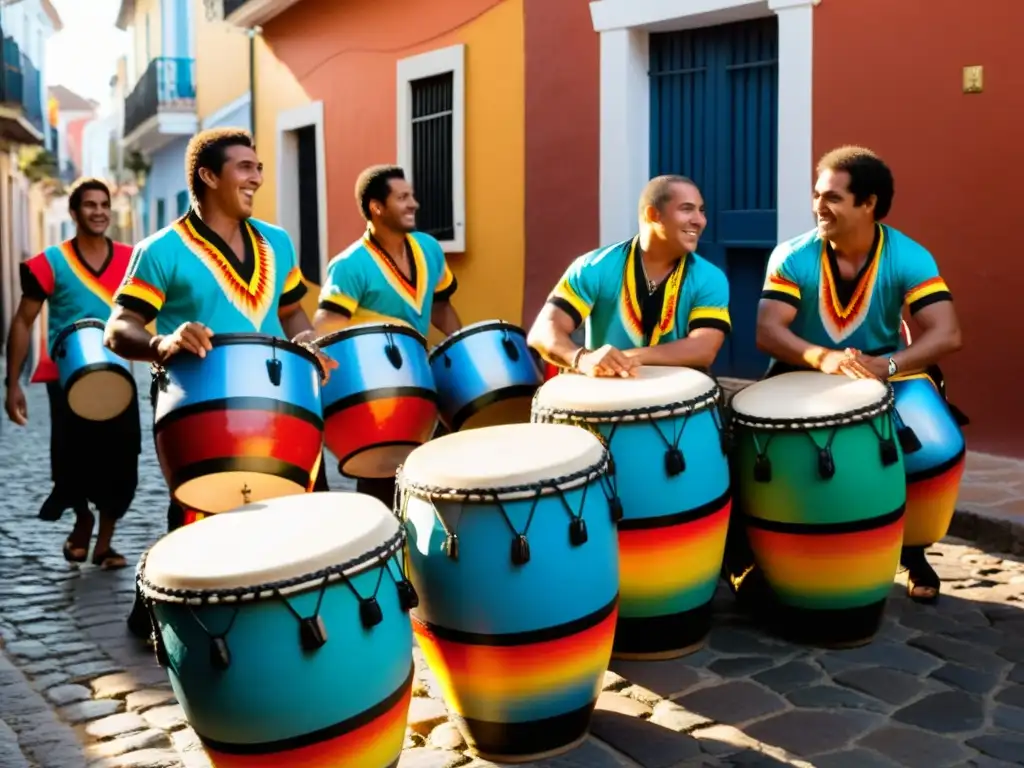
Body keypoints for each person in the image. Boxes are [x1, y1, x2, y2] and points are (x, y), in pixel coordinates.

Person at [104, 127, 335, 638]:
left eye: (258, 167)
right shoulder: (161, 250)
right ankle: (156, 605)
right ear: (209, 176)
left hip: (281, 400)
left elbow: (293, 312)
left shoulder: (277, 242)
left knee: (307, 501)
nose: (257, 177)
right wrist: (162, 342)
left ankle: (296, 619)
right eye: (245, 168)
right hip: (199, 404)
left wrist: (309, 343)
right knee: (197, 511)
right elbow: (118, 329)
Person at [748, 145, 963, 604]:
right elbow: (768, 332)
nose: (818, 207)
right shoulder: (792, 256)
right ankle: (755, 554)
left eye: (832, 198)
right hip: (799, 369)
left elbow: (947, 334)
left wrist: (884, 366)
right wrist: (823, 359)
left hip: (886, 370)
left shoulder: (909, 256)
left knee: (936, 447)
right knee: (753, 451)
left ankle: (914, 550)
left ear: (868, 204)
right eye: (816, 194)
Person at [4, 178, 140, 569]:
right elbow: (22, 321)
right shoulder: (51, 262)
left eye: (104, 204)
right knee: (71, 461)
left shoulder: (134, 260)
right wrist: (12, 382)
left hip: (118, 378)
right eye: (89, 205)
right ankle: (82, 520)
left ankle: (105, 544)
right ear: (74, 211)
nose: (98, 212)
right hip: (66, 379)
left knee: (122, 460)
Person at [312, 164, 462, 506]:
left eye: (411, 196)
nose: (413, 204)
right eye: (402, 197)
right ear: (377, 207)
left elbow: (440, 306)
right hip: (375, 395)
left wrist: (461, 345)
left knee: (429, 477)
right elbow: (326, 325)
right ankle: (381, 554)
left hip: (422, 384)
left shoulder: (429, 249)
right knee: (381, 487)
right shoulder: (350, 265)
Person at [527, 174, 732, 376]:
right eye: (687, 209)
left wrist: (620, 358)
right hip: (607, 400)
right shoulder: (594, 267)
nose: (700, 221)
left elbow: (703, 349)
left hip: (682, 405)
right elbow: (542, 332)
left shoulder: (710, 277)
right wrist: (581, 358)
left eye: (701, 211)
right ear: (653, 215)